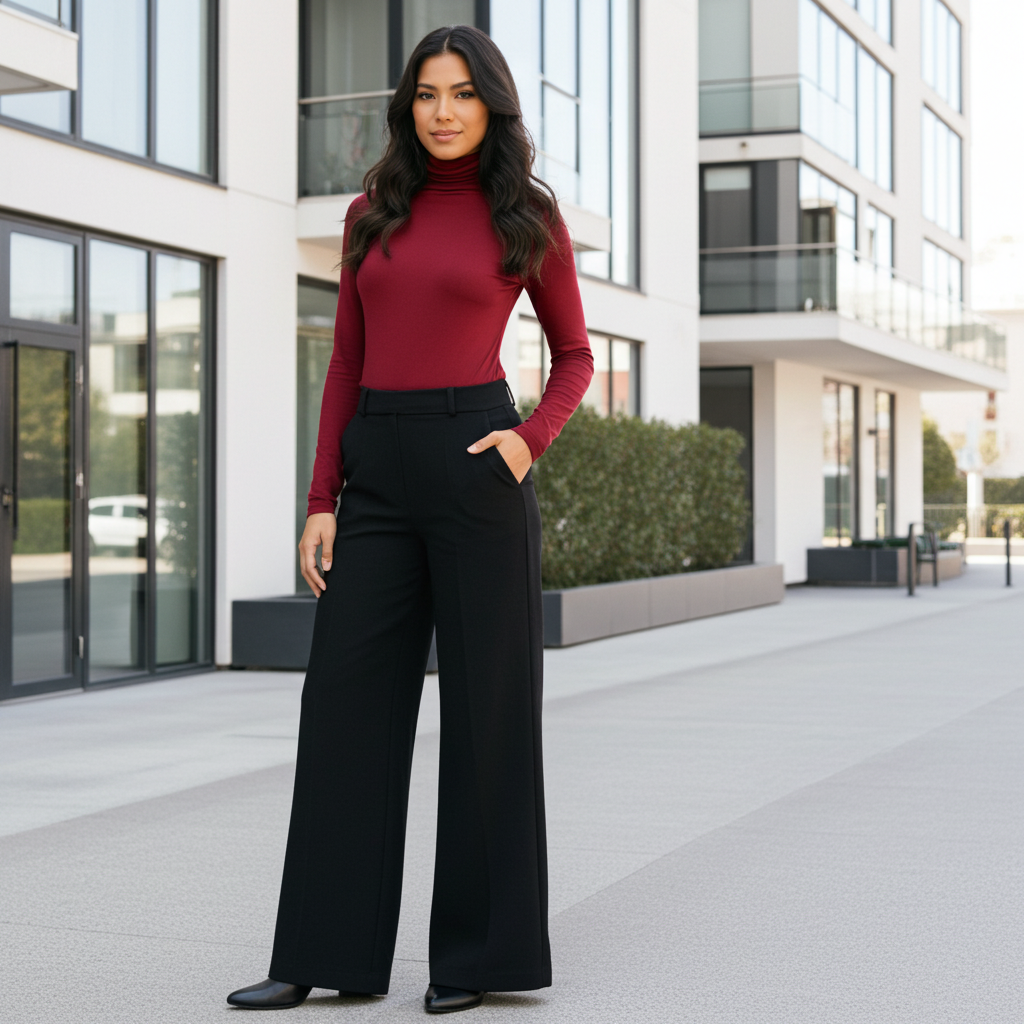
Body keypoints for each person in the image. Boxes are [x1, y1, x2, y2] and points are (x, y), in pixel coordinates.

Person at [227, 23, 593, 1015]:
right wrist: (319, 500)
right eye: (427, 93)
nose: (442, 111)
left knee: (488, 720)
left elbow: (574, 359)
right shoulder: (367, 214)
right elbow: (345, 362)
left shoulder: (527, 216)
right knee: (343, 713)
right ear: (407, 105)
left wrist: (524, 442)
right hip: (376, 477)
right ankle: (318, 952)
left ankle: (475, 958)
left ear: (491, 106)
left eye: (462, 93)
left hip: (478, 464)